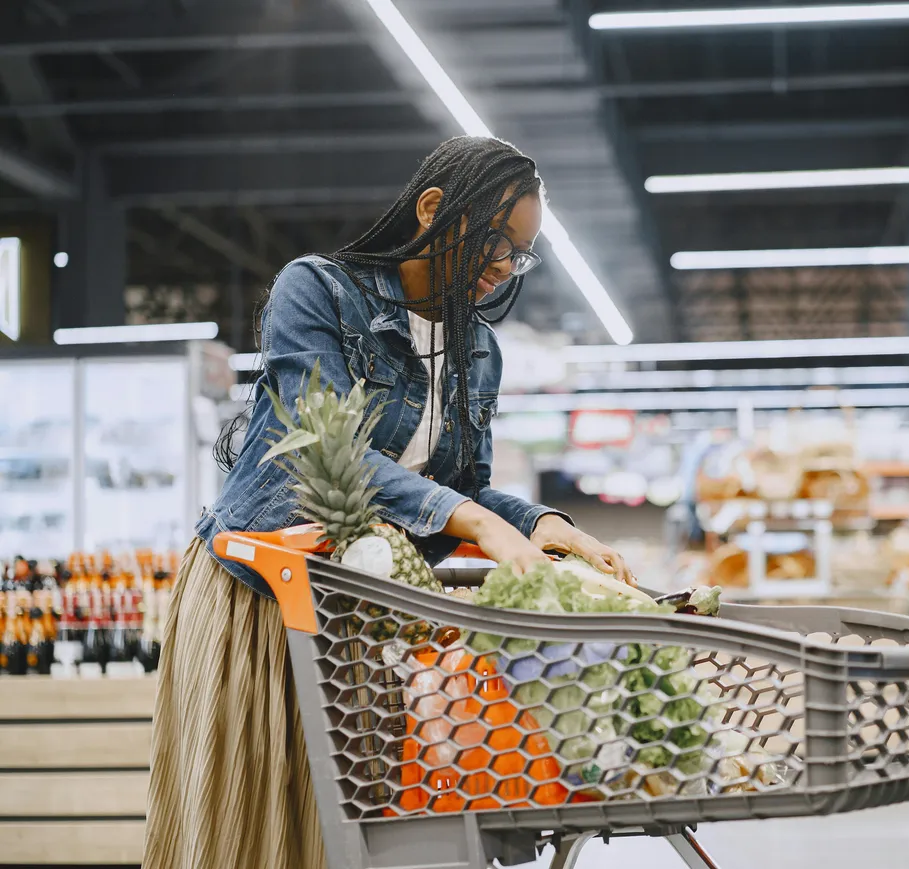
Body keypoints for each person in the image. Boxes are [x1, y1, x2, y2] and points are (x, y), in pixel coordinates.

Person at [143, 136, 633, 869]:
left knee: (345, 834)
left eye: (520, 255)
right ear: (434, 209)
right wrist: (476, 522)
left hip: (364, 611)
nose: (504, 267)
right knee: (252, 829)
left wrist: (548, 525)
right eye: (498, 241)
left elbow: (461, 486)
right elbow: (317, 446)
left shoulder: (478, 350)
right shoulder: (316, 291)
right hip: (262, 596)